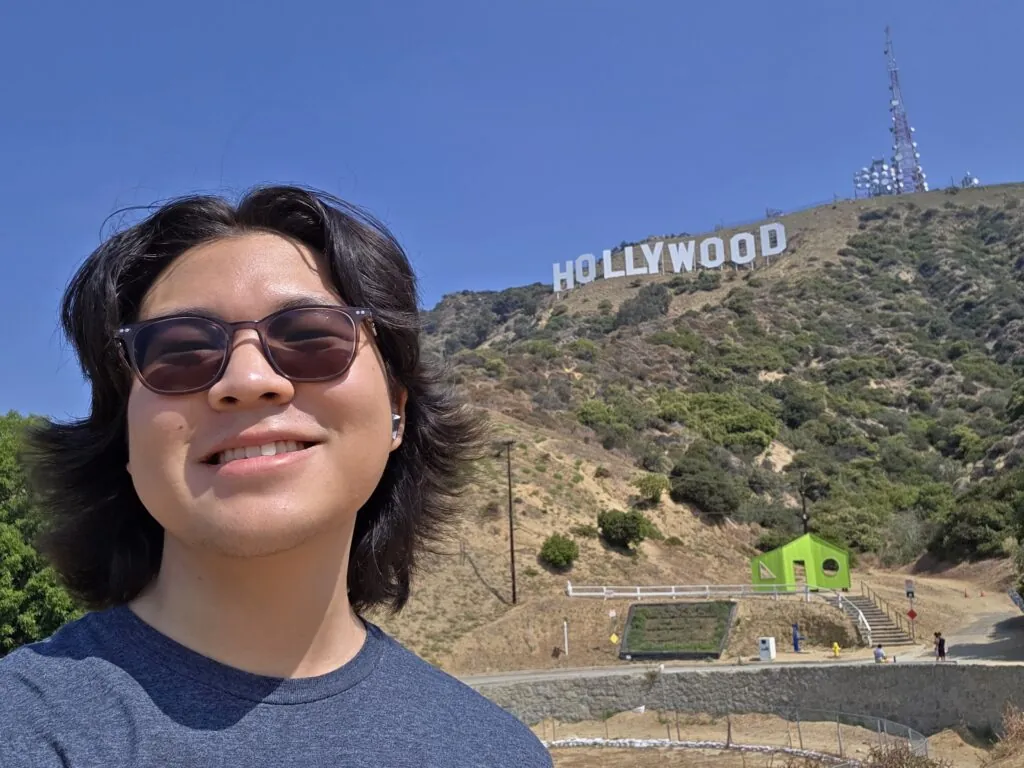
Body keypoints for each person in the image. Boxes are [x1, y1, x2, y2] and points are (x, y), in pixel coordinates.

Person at [0, 186, 553, 767]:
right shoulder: (26, 729)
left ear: (397, 411)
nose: (245, 378)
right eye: (179, 351)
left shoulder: (496, 752)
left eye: (312, 337)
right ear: (126, 438)